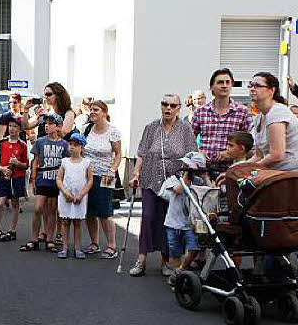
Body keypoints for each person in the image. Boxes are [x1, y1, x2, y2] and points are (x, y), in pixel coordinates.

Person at [247, 71, 298, 303]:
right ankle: (276, 290)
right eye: (250, 85)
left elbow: (276, 154)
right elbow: (258, 155)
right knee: (274, 233)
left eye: (257, 85)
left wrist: (252, 170)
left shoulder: (278, 112)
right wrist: (235, 169)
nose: (251, 89)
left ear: (271, 90)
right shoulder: (259, 118)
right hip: (280, 182)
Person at [127, 94, 197, 277]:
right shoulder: (151, 128)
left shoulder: (185, 129)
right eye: (165, 104)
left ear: (179, 108)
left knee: (170, 222)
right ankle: (141, 260)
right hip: (150, 179)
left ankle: (166, 261)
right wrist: (135, 174)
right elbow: (141, 153)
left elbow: (192, 158)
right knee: (148, 217)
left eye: (173, 105)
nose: (168, 108)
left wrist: (186, 181)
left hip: (174, 183)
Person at [190, 68, 252, 177]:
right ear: (211, 87)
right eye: (220, 82)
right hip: (203, 170)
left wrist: (230, 153)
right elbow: (189, 139)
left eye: (227, 82)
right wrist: (199, 152)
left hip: (231, 170)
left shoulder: (242, 111)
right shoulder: (200, 111)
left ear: (231, 85)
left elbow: (250, 143)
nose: (224, 85)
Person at [81, 100, 122, 259]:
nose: (92, 112)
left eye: (96, 109)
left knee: (105, 211)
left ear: (104, 112)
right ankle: (94, 243)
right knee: (90, 211)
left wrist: (112, 170)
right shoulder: (87, 129)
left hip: (105, 175)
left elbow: (118, 154)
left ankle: (112, 245)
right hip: (87, 175)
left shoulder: (113, 131)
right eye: (91, 109)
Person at [21, 113, 66, 252]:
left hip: (55, 180)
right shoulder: (40, 141)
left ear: (58, 126)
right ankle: (34, 238)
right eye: (46, 123)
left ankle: (50, 239)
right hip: (42, 178)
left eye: (51, 123)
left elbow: (66, 164)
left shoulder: (63, 144)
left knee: (52, 210)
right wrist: (33, 180)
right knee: (37, 208)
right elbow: (35, 161)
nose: (47, 125)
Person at [159, 151, 207, 283]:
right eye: (185, 164)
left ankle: (181, 270)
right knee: (175, 251)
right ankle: (178, 276)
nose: (186, 165)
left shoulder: (199, 181)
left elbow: (210, 193)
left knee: (193, 247)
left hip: (192, 223)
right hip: (173, 222)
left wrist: (205, 175)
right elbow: (180, 189)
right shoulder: (174, 178)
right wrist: (187, 173)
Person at [56, 133, 94, 259]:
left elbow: (90, 180)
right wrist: (65, 192)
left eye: (75, 145)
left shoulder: (87, 162)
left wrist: (82, 194)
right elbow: (59, 179)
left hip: (80, 197)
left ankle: (78, 248)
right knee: (65, 222)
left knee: (77, 222)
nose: (72, 147)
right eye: (70, 144)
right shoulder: (64, 162)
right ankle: (65, 247)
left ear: (82, 147)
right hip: (66, 196)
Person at [0, 113, 28, 241]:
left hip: (17, 178)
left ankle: (12, 230)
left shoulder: (22, 145)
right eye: (10, 125)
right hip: (4, 178)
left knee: (15, 203)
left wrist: (17, 163)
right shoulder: (2, 142)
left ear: (19, 129)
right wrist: (1, 168)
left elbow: (26, 165)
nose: (12, 128)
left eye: (15, 126)